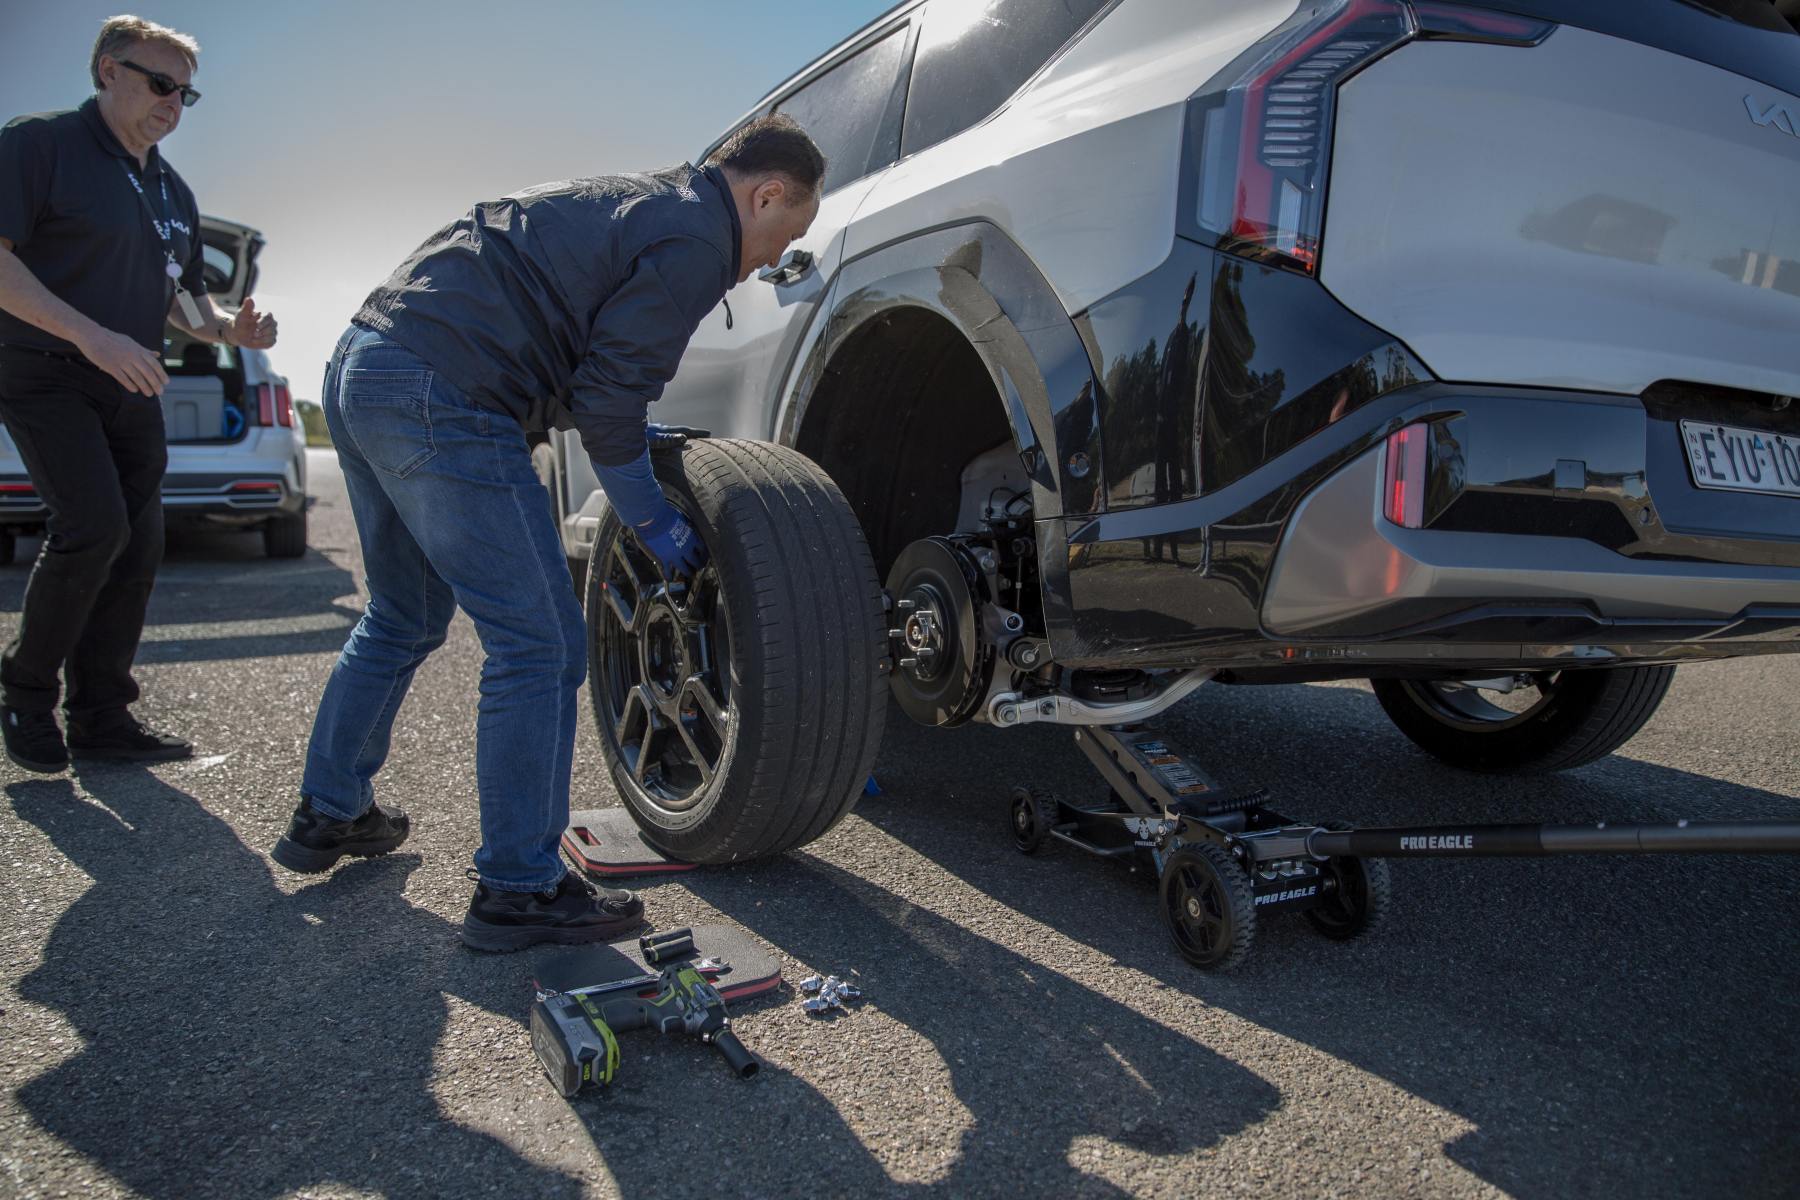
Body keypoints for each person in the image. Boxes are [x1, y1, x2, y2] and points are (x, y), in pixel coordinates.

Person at [269, 115, 824, 952]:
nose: (763, 268)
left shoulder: (631, 200)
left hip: (366, 365)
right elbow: (607, 401)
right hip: (444, 392)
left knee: (403, 616)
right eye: (782, 240)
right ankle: (520, 889)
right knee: (540, 645)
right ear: (765, 193)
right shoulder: (698, 236)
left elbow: (575, 360)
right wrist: (653, 520)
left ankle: (330, 812)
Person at [0, 15, 279, 774]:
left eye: (186, 94)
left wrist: (232, 331)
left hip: (132, 377)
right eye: (159, 84)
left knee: (138, 543)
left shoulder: (170, 189)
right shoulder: (39, 145)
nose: (172, 103)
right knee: (90, 526)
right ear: (106, 70)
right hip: (45, 371)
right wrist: (92, 334)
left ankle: (101, 714)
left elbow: (180, 303)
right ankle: (24, 694)